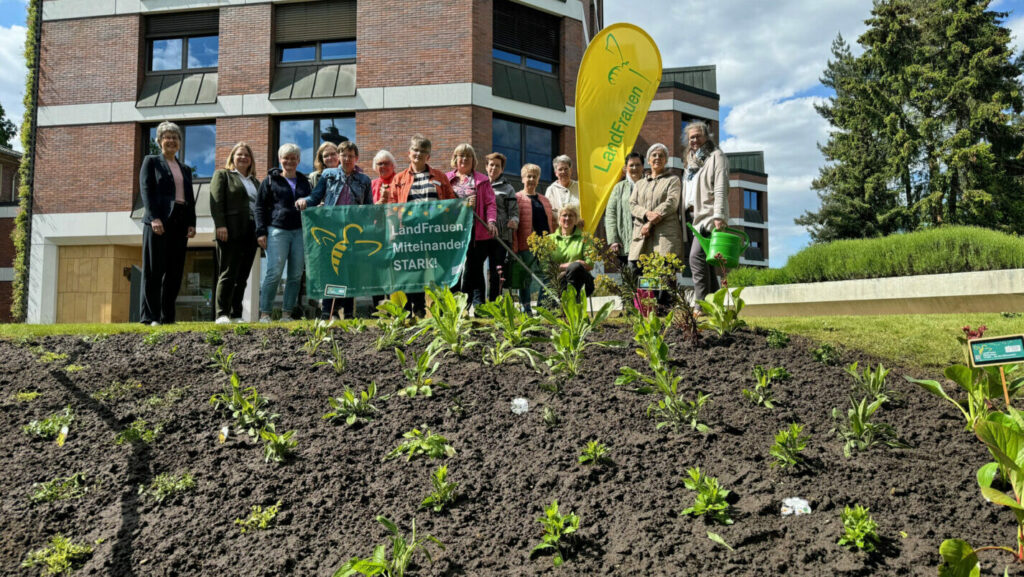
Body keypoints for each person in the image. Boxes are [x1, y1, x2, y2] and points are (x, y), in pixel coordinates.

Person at [297, 141, 373, 319]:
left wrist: (367, 215)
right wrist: (304, 201)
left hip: (353, 231)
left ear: (356, 158)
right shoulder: (329, 174)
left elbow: (370, 207)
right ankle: (326, 311)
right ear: (339, 157)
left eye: (351, 156)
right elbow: (315, 197)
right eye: (344, 155)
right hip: (332, 229)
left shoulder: (364, 180)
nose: (347, 159)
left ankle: (348, 312)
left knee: (350, 271)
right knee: (332, 270)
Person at [384, 135, 456, 316]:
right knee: (413, 269)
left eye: (423, 151)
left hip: (436, 231)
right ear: (409, 153)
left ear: (428, 156)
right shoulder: (399, 178)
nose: (419, 154)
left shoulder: (440, 176)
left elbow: (451, 202)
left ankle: (442, 309)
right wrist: (393, 230)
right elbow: (392, 207)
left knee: (439, 269)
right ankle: (416, 310)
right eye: (415, 150)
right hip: (409, 231)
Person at [138, 121, 196, 326]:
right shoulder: (151, 161)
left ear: (180, 142)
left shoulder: (185, 169)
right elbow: (146, 191)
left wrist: (191, 223)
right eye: (167, 137)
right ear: (159, 140)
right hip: (159, 220)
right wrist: (154, 217)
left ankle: (167, 317)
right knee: (154, 270)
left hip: (180, 221)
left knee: (174, 271)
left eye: (175, 137)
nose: (171, 141)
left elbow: (189, 197)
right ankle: (150, 317)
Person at [256, 143, 311, 322]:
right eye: (286, 158)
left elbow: (311, 203)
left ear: (298, 160)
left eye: (293, 158)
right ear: (280, 160)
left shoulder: (304, 181)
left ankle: (287, 314)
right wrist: (260, 231)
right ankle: (265, 313)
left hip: (299, 231)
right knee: (274, 272)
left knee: (295, 274)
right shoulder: (270, 181)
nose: (289, 161)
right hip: (277, 230)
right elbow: (259, 207)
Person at [209, 142, 260, 324]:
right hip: (230, 230)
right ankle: (222, 313)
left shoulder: (255, 181)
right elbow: (216, 202)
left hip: (251, 232)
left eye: (247, 155)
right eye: (239, 154)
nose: (243, 157)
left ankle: (237, 314)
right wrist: (220, 225)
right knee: (228, 272)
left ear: (251, 160)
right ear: (232, 157)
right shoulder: (223, 175)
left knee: (243, 276)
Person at [682, 121, 730, 303]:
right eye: (691, 137)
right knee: (707, 263)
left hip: (708, 216)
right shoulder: (691, 162)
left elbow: (721, 188)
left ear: (707, 136)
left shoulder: (717, 157)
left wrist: (719, 215)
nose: (694, 140)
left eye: (697, 136)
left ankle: (700, 305)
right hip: (692, 217)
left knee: (696, 258)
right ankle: (715, 303)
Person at [446, 143, 498, 310]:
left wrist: (491, 221)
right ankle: (454, 304)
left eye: (468, 156)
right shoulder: (446, 179)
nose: (464, 159)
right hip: (453, 232)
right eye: (461, 155)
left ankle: (476, 304)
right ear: (455, 158)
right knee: (455, 269)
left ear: (473, 160)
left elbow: (491, 203)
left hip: (477, 231)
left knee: (474, 269)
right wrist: (464, 204)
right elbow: (442, 204)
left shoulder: (481, 180)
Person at [628, 143, 684, 271]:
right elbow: (632, 204)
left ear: (666, 160)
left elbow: (671, 202)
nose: (657, 157)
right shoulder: (639, 184)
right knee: (637, 274)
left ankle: (662, 292)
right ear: (648, 160)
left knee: (664, 279)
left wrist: (649, 223)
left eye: (661, 155)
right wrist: (647, 213)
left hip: (665, 236)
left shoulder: (673, 180)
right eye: (654, 155)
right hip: (642, 236)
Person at [513, 163, 556, 315]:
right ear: (523, 179)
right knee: (525, 279)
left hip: (544, 245)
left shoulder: (545, 200)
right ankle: (526, 310)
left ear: (538, 180)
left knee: (548, 276)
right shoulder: (517, 198)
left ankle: (542, 308)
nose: (531, 179)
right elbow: (515, 227)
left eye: (534, 177)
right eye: (528, 176)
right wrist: (515, 247)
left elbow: (551, 222)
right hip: (526, 246)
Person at [485, 152, 520, 301]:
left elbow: (514, 212)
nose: (494, 168)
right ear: (486, 166)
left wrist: (514, 221)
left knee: (496, 272)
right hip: (480, 234)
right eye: (491, 165)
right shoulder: (479, 184)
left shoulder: (508, 188)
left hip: (501, 236)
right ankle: (477, 303)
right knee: (475, 271)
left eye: (497, 166)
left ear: (502, 169)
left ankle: (494, 304)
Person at [605, 151, 643, 268]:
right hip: (624, 242)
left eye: (637, 164)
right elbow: (611, 214)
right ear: (626, 168)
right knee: (630, 277)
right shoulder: (618, 188)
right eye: (631, 165)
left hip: (646, 241)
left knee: (648, 281)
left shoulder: (649, 184)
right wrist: (613, 240)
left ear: (643, 166)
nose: (634, 168)